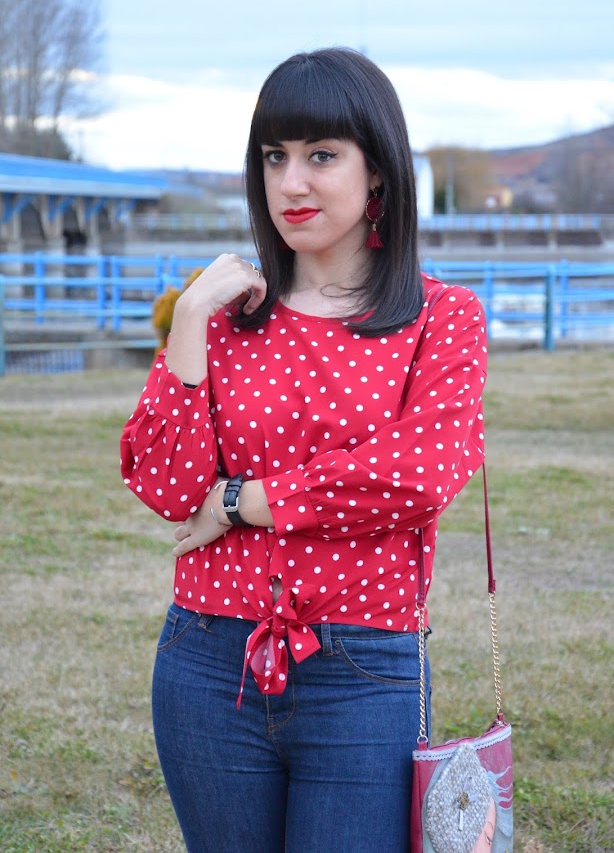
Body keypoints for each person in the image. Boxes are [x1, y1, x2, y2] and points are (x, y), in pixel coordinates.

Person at [120, 47, 488, 853]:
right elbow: (164, 484)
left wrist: (239, 501)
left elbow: (415, 476)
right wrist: (189, 320)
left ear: (377, 170)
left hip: (365, 667)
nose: (291, 183)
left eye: (321, 156)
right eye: (274, 156)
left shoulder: (441, 318)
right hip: (207, 660)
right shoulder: (227, 316)